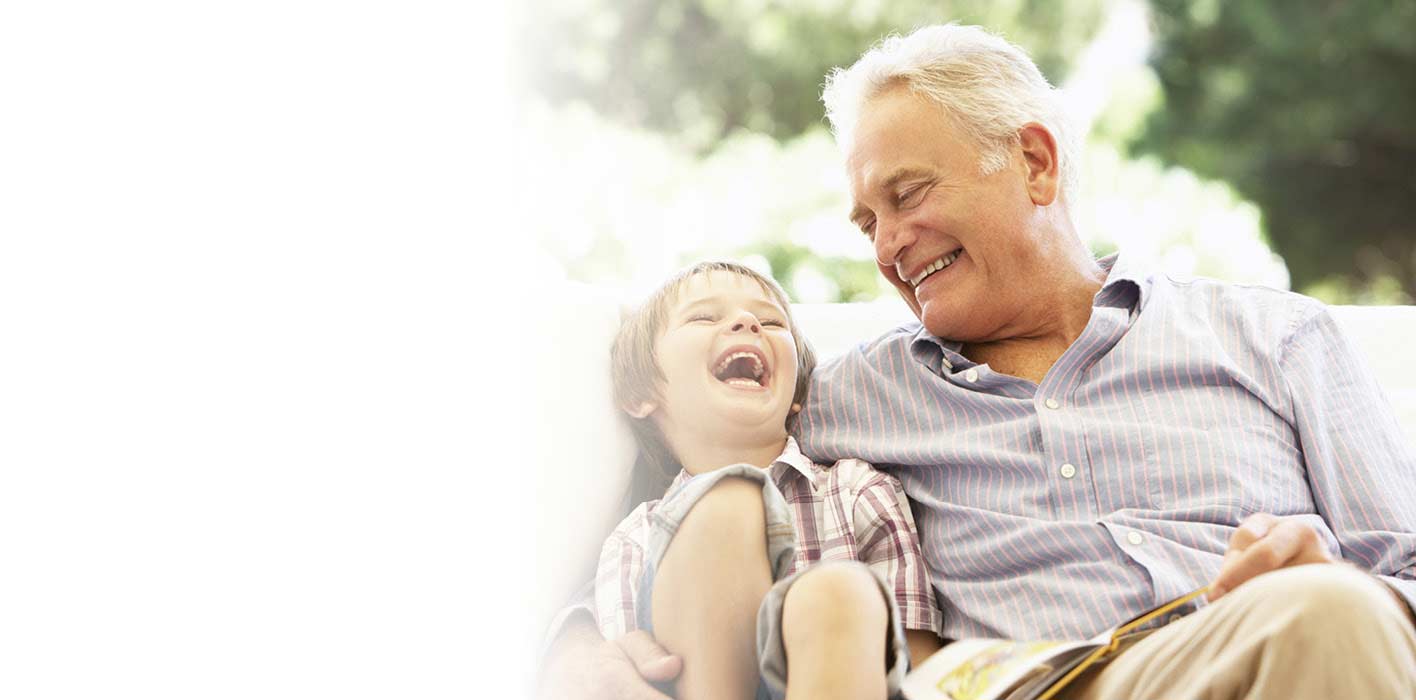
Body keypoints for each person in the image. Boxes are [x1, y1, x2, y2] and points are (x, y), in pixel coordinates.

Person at [541, 24, 1416, 700]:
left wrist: (1332, 578)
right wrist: (574, 647)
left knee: (1336, 610)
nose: (887, 243)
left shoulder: (1277, 338)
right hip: (1015, 680)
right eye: (867, 223)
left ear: (1033, 163)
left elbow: (1403, 568)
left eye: (907, 194)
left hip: (1252, 652)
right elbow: (682, 500)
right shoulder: (847, 395)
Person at [592, 260, 940, 700]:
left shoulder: (859, 492)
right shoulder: (634, 539)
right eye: (704, 316)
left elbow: (920, 669)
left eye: (772, 321)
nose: (747, 321)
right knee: (727, 501)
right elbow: (627, 676)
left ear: (797, 395)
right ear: (639, 393)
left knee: (838, 590)